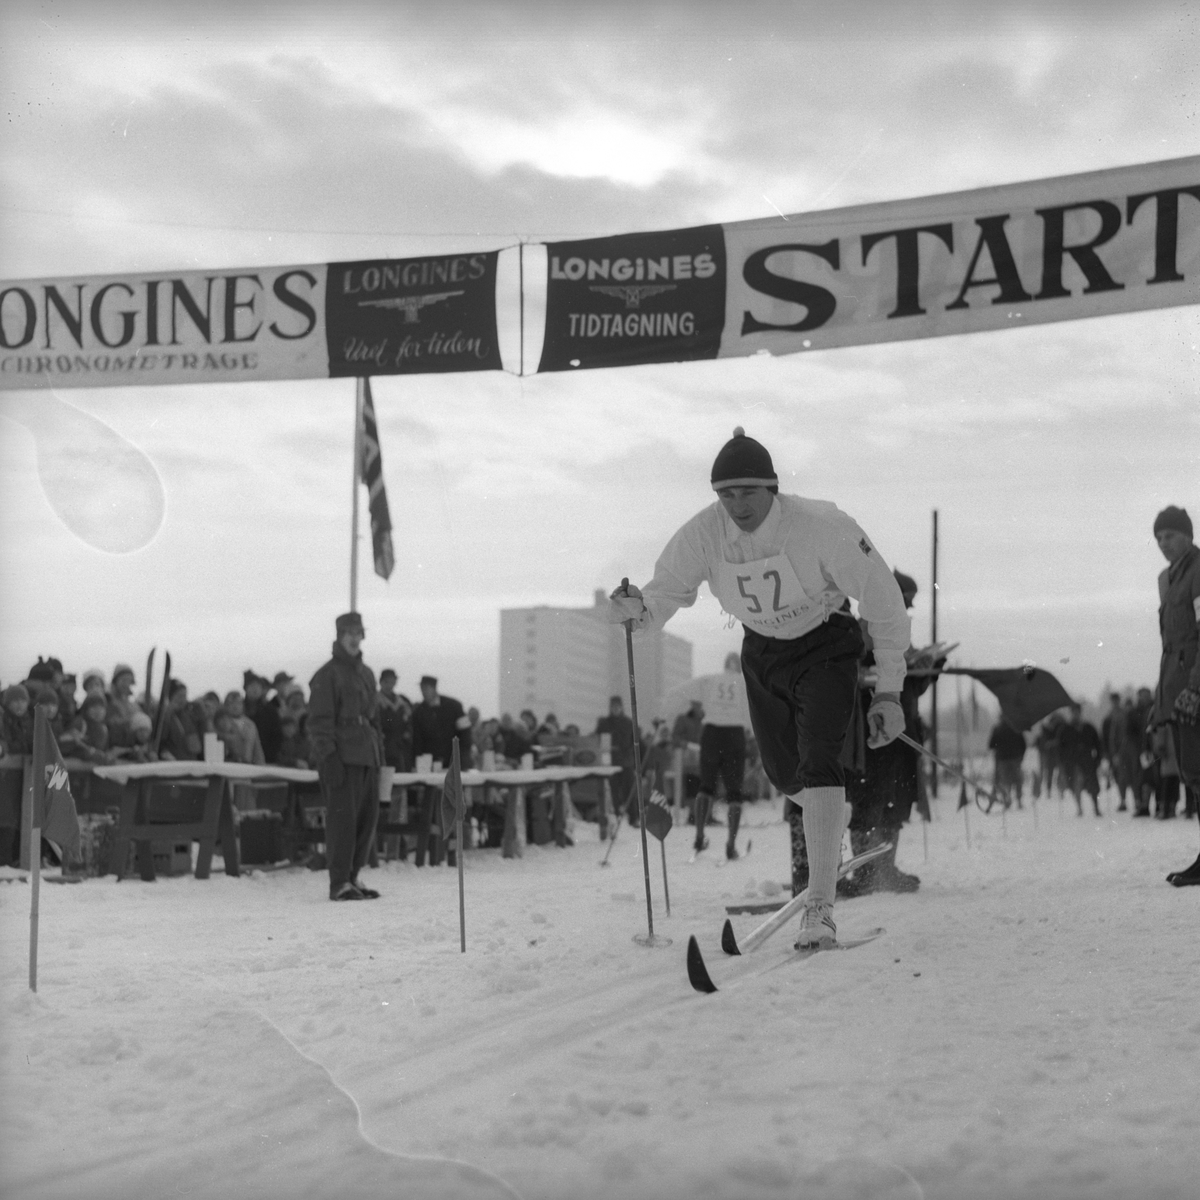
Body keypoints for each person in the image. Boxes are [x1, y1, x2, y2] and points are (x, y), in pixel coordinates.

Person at [607, 427, 909, 948]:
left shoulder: (821, 527)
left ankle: (820, 906)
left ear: (772, 487)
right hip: (763, 651)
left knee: (819, 759)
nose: (737, 505)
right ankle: (828, 821)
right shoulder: (704, 532)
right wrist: (638, 612)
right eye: (726, 494)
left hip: (825, 644)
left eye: (748, 492)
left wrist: (889, 690)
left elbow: (883, 599)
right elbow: (666, 592)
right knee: (782, 772)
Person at [836, 569, 935, 898]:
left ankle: (885, 869)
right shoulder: (866, 626)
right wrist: (867, 673)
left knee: (896, 804)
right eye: (904, 602)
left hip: (901, 735)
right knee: (868, 805)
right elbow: (849, 668)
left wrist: (928, 670)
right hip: (871, 735)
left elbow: (910, 685)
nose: (905, 609)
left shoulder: (899, 633)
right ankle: (864, 873)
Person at [308, 611, 383, 901]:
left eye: (358, 633)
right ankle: (339, 881)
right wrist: (329, 758)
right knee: (343, 822)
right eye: (348, 633)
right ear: (339, 636)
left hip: (367, 755)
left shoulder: (366, 674)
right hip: (342, 756)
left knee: (366, 821)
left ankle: (353, 876)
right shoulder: (327, 675)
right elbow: (318, 724)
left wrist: (381, 757)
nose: (354, 638)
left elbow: (374, 719)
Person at [1150, 507, 1200, 885]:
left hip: (1194, 692)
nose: (1163, 544)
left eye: (1169, 535)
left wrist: (1195, 689)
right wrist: (1161, 700)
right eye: (1158, 538)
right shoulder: (1168, 581)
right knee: (1193, 774)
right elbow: (1171, 648)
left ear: (1187, 535)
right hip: (1178, 692)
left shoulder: (1198, 573)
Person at [595, 695, 638, 820]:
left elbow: (635, 742)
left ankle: (633, 816)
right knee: (612, 791)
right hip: (610, 762)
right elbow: (599, 741)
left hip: (626, 761)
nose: (615, 709)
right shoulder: (604, 723)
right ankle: (615, 815)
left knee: (629, 790)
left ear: (621, 707)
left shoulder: (629, 723)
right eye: (613, 706)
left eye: (617, 706)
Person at [1058, 704, 1103, 816]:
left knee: (1093, 786)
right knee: (1075, 785)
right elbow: (1060, 749)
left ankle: (1096, 807)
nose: (1075, 714)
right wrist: (1062, 763)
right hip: (1073, 762)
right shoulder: (1065, 729)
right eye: (1073, 712)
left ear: (1080, 713)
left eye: (1077, 712)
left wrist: (1097, 759)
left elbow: (1098, 744)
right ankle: (1079, 808)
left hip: (1087, 761)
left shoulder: (1088, 727)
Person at [377, 669, 414, 771]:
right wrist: (392, 718)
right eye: (386, 682)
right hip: (384, 744)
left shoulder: (402, 701)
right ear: (381, 682)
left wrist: (408, 730)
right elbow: (385, 721)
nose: (389, 686)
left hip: (401, 746)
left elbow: (409, 720)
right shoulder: (376, 701)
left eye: (392, 682)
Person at [988, 718, 1028, 810]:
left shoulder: (997, 729)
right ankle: (1019, 801)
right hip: (1015, 758)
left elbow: (991, 745)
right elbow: (1023, 744)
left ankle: (1007, 800)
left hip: (1002, 759)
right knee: (1018, 780)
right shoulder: (1016, 728)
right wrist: (1021, 756)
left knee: (1005, 781)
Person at [243, 672, 283, 764]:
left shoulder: (271, 711)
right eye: (252, 686)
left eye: (258, 686)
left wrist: (269, 756)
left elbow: (277, 737)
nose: (255, 689)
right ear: (246, 688)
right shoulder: (240, 710)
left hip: (267, 760)